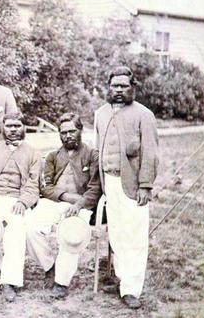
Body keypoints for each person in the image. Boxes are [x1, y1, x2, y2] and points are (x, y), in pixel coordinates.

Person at [94, 66, 158, 309]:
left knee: (134, 235)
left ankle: (131, 288)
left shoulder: (144, 115)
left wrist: (145, 185)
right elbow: (98, 147)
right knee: (118, 233)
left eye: (123, 86)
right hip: (109, 182)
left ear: (133, 87)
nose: (118, 90)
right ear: (108, 87)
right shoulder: (101, 113)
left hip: (132, 184)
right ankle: (121, 279)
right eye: (114, 86)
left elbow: (150, 153)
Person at [26, 112, 101, 299]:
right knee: (30, 228)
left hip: (81, 206)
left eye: (72, 131)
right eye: (63, 132)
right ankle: (49, 266)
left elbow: (95, 188)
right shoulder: (52, 156)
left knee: (71, 234)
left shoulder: (92, 155)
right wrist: (67, 198)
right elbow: (45, 187)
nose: (68, 135)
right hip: (54, 202)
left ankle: (61, 282)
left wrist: (80, 203)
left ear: (81, 130)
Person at [0, 111, 40, 303]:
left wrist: (23, 201)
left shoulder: (33, 153)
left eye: (17, 126)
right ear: (2, 128)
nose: (13, 130)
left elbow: (33, 184)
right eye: (9, 126)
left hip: (18, 200)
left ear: (24, 128)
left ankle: (9, 281)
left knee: (16, 229)